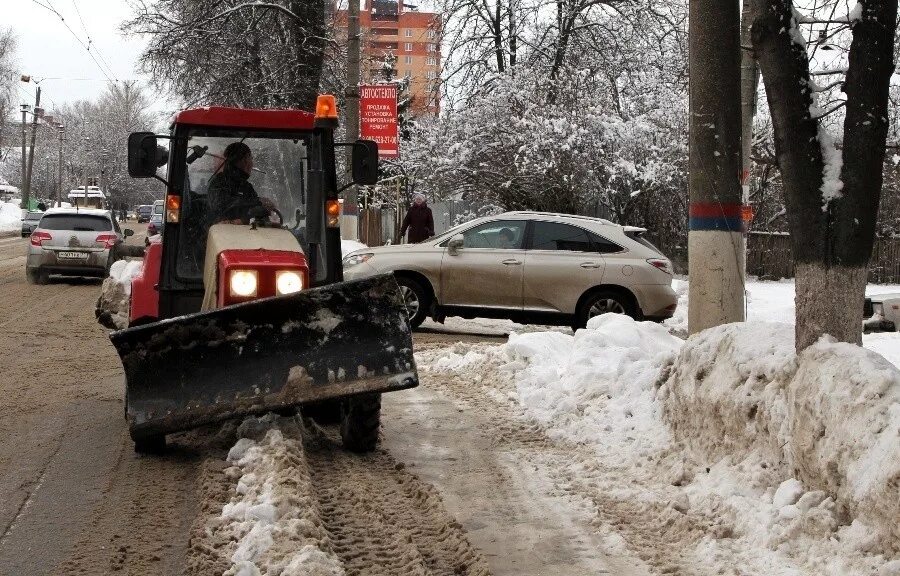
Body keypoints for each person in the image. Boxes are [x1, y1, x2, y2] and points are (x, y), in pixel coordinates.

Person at [207, 142, 274, 224]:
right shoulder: (220, 182)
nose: (252, 163)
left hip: (243, 233)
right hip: (220, 232)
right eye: (251, 158)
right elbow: (221, 205)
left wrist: (264, 210)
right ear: (245, 159)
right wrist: (258, 201)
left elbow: (251, 206)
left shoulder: (246, 186)